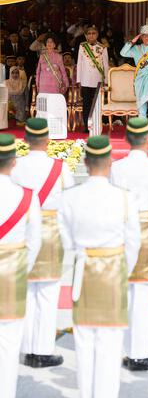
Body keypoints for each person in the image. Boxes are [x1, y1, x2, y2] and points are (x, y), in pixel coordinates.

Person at [59, 135, 140, 398]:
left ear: (85, 162)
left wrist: (84, 254)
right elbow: (134, 242)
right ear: (108, 162)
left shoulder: (70, 197)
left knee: (84, 341)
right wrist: (122, 268)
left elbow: (66, 239)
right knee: (109, 341)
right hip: (113, 270)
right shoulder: (124, 198)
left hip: (83, 270)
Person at [11, 118, 74, 368]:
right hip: (50, 231)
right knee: (48, 293)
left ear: (25, 140)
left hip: (23, 232)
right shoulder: (59, 167)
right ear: (47, 140)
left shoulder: (16, 167)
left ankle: (26, 348)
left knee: (25, 292)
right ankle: (42, 350)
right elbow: (69, 203)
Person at [110, 117, 148, 371]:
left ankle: (128, 350)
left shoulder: (117, 168)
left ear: (126, 140)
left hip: (125, 232)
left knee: (126, 295)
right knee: (145, 298)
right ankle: (140, 353)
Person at [0, 134, 41, 398]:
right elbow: (34, 242)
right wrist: (22, 267)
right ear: (14, 163)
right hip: (13, 270)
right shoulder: (26, 196)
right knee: (9, 339)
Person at [120, 25, 148, 139]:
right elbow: (123, 53)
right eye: (144, 36)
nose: (147, 38)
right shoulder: (136, 49)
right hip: (140, 81)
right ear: (141, 37)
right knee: (141, 107)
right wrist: (132, 41)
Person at [77, 26, 109, 133]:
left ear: (97, 35)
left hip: (97, 80)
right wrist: (79, 80)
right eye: (89, 33)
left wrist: (106, 81)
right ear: (86, 35)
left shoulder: (102, 47)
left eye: (93, 33)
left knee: (96, 105)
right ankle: (86, 126)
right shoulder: (82, 46)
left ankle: (96, 125)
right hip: (85, 80)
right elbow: (79, 64)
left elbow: (105, 65)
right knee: (86, 104)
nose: (91, 35)